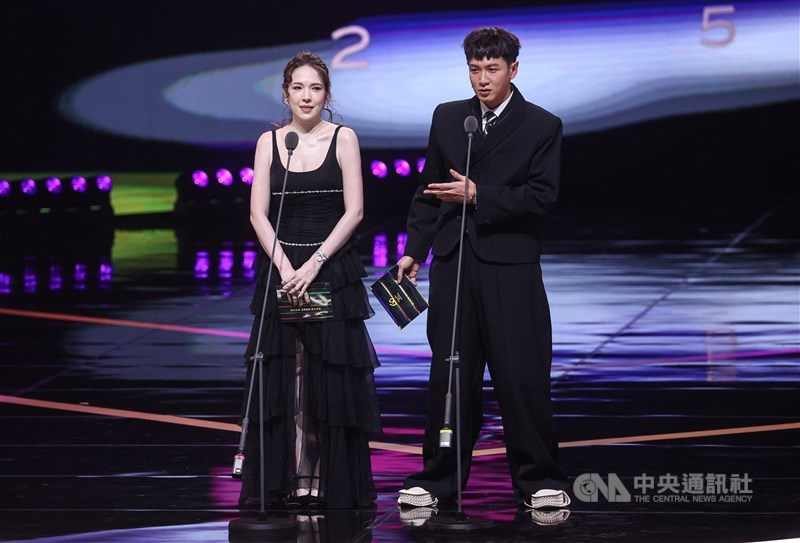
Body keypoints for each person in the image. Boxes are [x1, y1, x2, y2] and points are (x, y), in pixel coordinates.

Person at [396, 27, 570, 511]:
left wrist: (480, 196)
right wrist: (415, 248)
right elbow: (429, 187)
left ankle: (540, 479)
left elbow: (542, 197)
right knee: (450, 373)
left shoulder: (542, 125)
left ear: (513, 69)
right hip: (454, 264)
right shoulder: (450, 118)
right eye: (475, 70)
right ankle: (438, 480)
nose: (482, 80)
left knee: (520, 376)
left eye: (492, 69)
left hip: (510, 264)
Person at [238, 51, 380, 510]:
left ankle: (323, 475)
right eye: (298, 87)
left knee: (325, 375)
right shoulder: (269, 142)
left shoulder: (344, 138)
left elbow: (354, 211)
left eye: (315, 88)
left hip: (328, 270)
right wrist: (283, 267)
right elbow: (259, 212)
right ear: (285, 93)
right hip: (284, 269)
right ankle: (292, 474)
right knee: (288, 377)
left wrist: (314, 264)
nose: (306, 96)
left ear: (327, 94)